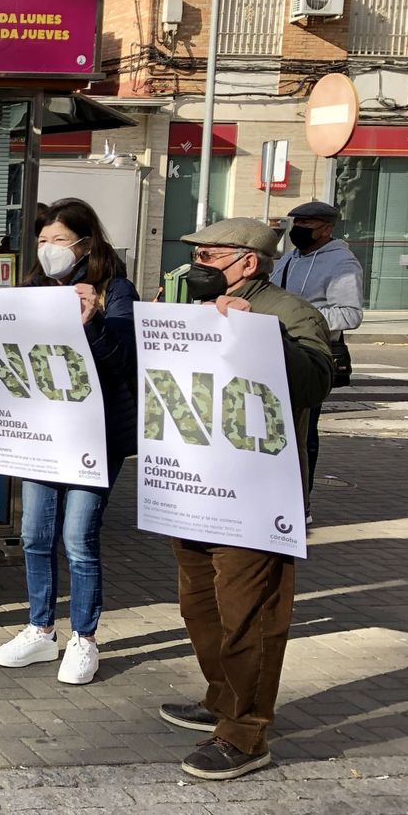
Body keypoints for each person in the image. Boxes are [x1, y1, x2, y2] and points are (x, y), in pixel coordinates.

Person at [160, 218, 332, 780]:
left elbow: (314, 384)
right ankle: (221, 698)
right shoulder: (191, 307)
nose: (196, 266)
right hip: (196, 483)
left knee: (250, 615)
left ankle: (246, 732)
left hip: (255, 493)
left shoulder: (289, 312)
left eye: (208, 256)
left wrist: (262, 334)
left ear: (248, 262)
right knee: (200, 605)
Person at [0, 199, 138, 685]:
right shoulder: (34, 288)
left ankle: (84, 638)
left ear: (85, 244)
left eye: (60, 240)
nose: (49, 249)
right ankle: (40, 628)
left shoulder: (115, 290)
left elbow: (123, 361)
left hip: (93, 437)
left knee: (78, 537)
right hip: (41, 434)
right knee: (34, 534)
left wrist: (92, 320)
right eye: (42, 240)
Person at [271, 200, 363, 502]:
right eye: (295, 223)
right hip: (277, 349)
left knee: (304, 430)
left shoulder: (342, 263)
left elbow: (351, 314)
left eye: (306, 224)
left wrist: (302, 317)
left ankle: (301, 502)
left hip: (310, 352)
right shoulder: (289, 259)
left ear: (326, 229)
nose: (298, 229)